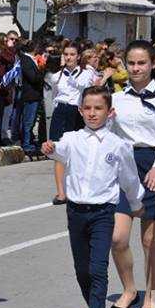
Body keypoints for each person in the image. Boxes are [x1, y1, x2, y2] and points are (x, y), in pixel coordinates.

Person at [42, 86, 144, 308]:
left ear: (110, 112)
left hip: (103, 213)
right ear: (80, 110)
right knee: (82, 270)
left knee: (98, 268)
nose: (92, 113)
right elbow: (58, 150)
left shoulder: (118, 145)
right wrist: (49, 147)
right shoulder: (72, 138)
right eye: (87, 108)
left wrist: (135, 203)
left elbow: (129, 178)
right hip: (76, 212)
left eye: (98, 108)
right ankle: (95, 307)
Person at [109, 40, 155, 308]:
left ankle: (151, 296)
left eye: (142, 63)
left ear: (152, 65)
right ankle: (129, 290)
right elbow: (108, 134)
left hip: (153, 166)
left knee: (150, 240)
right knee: (117, 238)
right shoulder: (116, 99)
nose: (136, 68)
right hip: (125, 167)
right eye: (132, 63)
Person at [47, 44, 91, 205]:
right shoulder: (57, 76)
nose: (69, 57)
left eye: (72, 54)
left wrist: (73, 75)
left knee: (78, 151)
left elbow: (83, 88)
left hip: (76, 112)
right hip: (61, 110)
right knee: (58, 151)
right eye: (66, 54)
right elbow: (54, 95)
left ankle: (79, 189)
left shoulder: (85, 75)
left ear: (78, 56)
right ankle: (61, 193)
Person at [17, 40, 45, 156]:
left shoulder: (30, 59)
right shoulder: (26, 60)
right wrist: (42, 70)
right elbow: (33, 77)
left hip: (35, 95)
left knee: (31, 121)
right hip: (30, 95)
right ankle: (26, 144)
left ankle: (29, 142)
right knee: (28, 121)